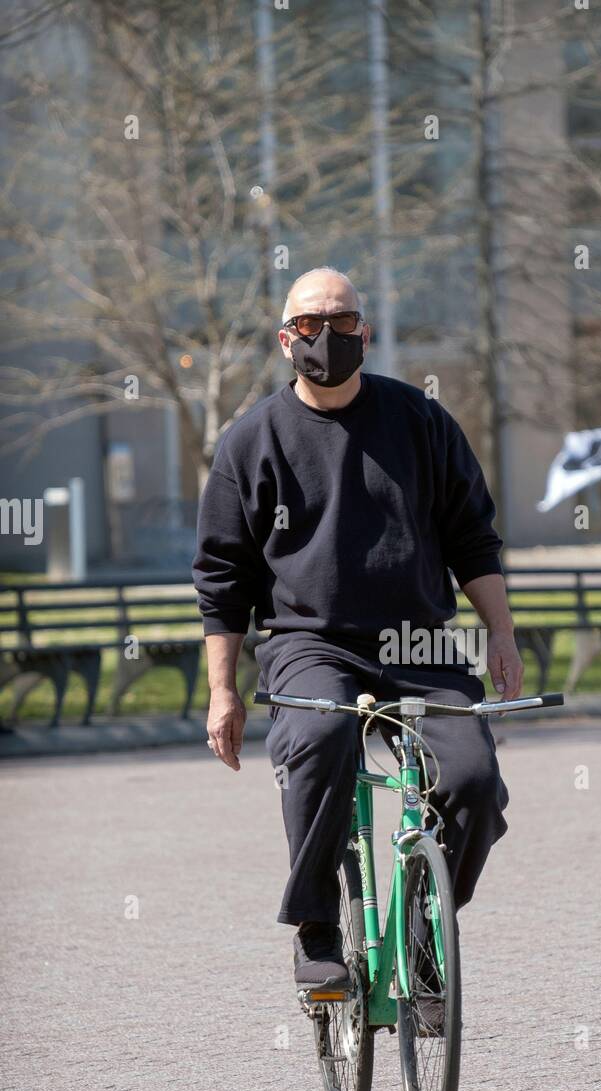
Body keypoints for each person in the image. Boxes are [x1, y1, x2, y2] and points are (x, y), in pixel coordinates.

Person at [192, 267, 521, 1025]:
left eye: (342, 322)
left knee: (472, 778)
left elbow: (473, 535)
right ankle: (316, 928)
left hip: (419, 643)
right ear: (285, 339)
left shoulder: (420, 422)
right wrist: (223, 691)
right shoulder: (251, 443)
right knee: (321, 734)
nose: (328, 337)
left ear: (365, 332)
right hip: (313, 644)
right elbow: (222, 578)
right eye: (310, 324)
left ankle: (423, 940)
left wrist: (500, 634)